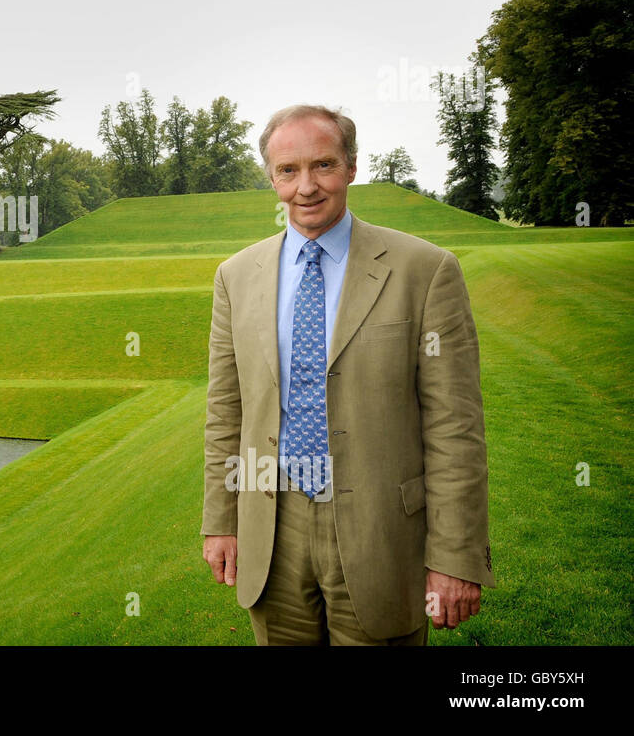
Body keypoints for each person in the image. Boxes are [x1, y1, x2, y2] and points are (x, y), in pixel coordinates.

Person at [201, 104, 494, 645]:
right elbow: (227, 409)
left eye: (324, 166)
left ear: (352, 167)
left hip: (380, 531)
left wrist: (456, 555)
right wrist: (221, 519)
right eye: (288, 171)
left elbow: (455, 427)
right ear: (271, 178)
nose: (306, 187)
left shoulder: (425, 270)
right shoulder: (236, 276)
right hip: (273, 526)